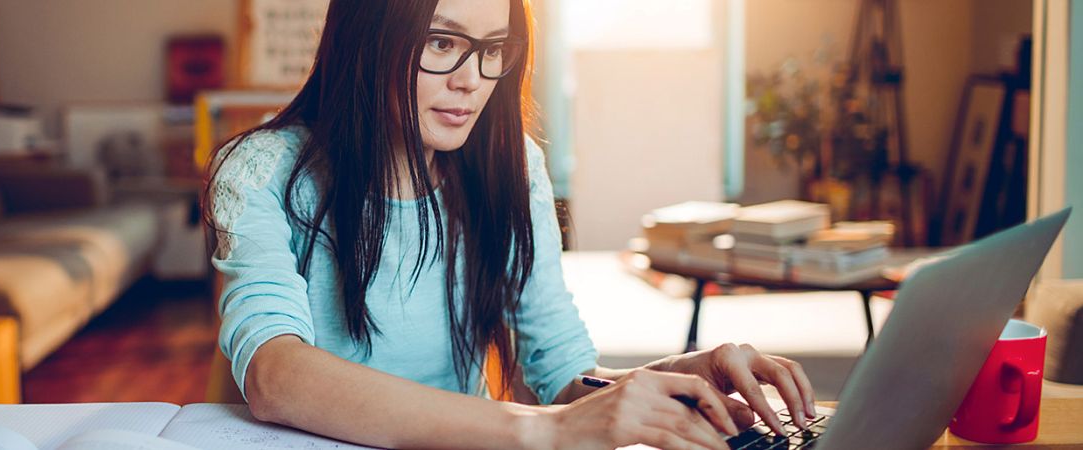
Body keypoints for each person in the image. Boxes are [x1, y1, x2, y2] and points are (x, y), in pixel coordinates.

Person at [205, 0, 816, 448]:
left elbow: (562, 375)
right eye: (442, 43)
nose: (472, 79)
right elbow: (275, 375)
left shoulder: (514, 165)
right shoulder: (260, 170)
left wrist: (681, 378)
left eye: (492, 49)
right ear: (367, 37)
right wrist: (545, 433)